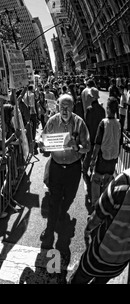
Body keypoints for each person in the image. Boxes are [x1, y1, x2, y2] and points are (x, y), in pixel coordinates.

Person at [38, 94, 90, 247]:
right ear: (58, 107)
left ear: (73, 107)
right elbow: (43, 140)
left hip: (73, 169)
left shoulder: (79, 123)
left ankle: (63, 212)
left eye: (68, 107)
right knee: (54, 200)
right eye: (62, 107)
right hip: (56, 167)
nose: (64, 110)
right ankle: (49, 229)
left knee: (69, 197)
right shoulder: (52, 121)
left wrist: (77, 147)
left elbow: (87, 146)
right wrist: (42, 144)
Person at [70, 168, 130, 284]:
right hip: (120, 262)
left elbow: (96, 217)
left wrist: (88, 229)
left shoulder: (124, 182)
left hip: (98, 258)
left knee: (79, 279)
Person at [89, 97, 121, 210]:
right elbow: (119, 142)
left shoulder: (103, 123)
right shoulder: (118, 124)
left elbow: (97, 144)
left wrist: (92, 160)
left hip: (102, 158)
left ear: (107, 109)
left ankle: (95, 205)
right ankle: (104, 205)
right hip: (113, 159)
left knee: (95, 180)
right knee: (108, 181)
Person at [83, 88, 106, 202]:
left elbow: (86, 125)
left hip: (91, 140)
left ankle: (87, 177)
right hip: (100, 141)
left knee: (87, 161)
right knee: (97, 160)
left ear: (92, 97)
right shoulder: (102, 109)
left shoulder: (89, 109)